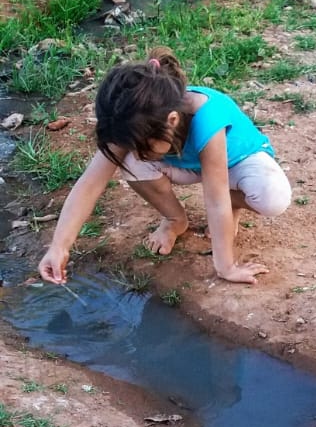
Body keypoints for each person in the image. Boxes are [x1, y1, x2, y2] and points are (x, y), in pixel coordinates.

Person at [38, 51, 291, 287]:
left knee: (272, 198)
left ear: (172, 121)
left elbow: (216, 200)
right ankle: (174, 219)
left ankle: (236, 204)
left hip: (236, 163)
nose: (137, 154)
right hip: (185, 163)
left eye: (142, 147)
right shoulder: (131, 119)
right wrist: (59, 246)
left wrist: (226, 267)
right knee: (129, 162)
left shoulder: (208, 118)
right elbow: (90, 183)